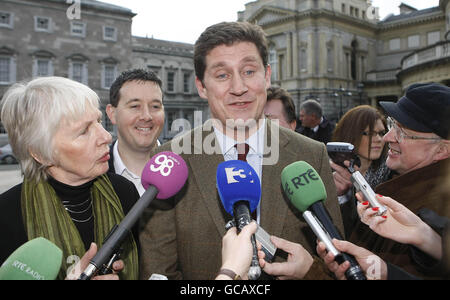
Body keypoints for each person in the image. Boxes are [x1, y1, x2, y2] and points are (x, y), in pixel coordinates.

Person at [139, 21, 343, 280]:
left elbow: (338, 262)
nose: (238, 88)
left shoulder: (312, 155)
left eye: (249, 71)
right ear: (202, 86)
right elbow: (158, 273)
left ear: (267, 76)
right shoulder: (168, 163)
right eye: (222, 75)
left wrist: (311, 273)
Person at [0, 77, 140, 280]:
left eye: (100, 121)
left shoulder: (124, 192)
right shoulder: (6, 215)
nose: (106, 137)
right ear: (41, 153)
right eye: (83, 131)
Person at [349, 82, 450, 278]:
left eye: (402, 132)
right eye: (392, 124)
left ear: (442, 150)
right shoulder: (394, 180)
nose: (387, 137)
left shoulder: (438, 207)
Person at [329, 105, 390, 237]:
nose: (379, 139)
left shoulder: (392, 175)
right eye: (368, 133)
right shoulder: (330, 175)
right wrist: (339, 197)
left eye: (381, 133)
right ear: (350, 134)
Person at [106, 69, 165, 196]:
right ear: (112, 113)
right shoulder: (91, 176)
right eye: (135, 106)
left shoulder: (188, 171)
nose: (146, 116)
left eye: (155, 106)